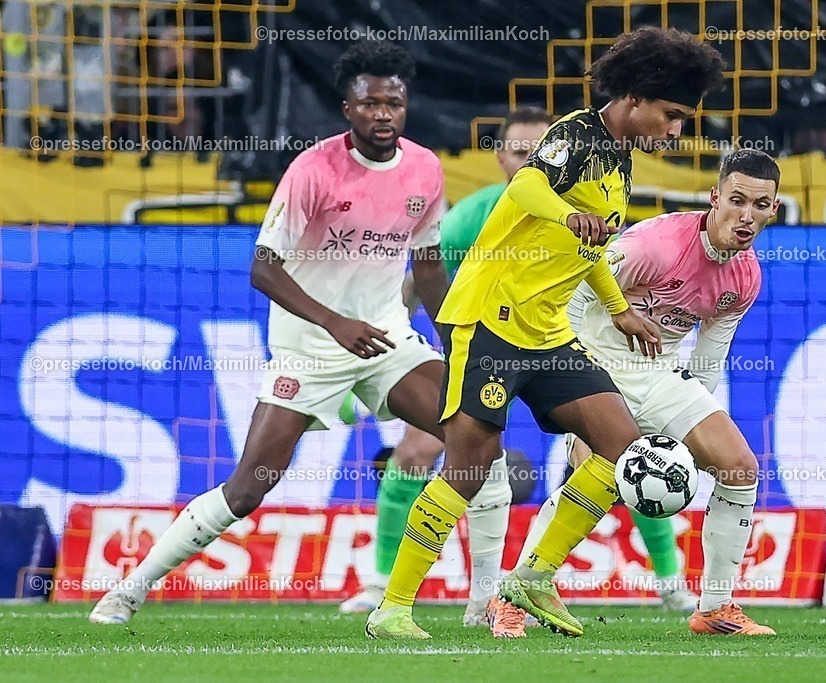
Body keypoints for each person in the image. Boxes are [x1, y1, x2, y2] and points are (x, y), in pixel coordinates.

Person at [366, 27, 726, 640]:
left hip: (549, 330)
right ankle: (393, 608)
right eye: (670, 115)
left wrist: (616, 308)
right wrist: (568, 210)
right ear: (635, 97)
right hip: (490, 319)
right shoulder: (576, 133)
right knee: (468, 468)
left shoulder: (619, 158)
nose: (674, 130)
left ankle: (532, 575)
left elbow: (592, 246)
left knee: (622, 448)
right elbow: (531, 186)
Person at [89, 41, 454, 624]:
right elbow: (263, 267)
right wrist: (335, 324)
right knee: (248, 489)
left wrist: (453, 341)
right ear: (347, 108)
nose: (383, 114)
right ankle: (130, 588)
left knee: (472, 435)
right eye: (370, 104)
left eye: (394, 103)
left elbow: (429, 264)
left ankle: (489, 598)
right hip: (310, 349)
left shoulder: (425, 168)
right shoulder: (312, 170)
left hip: (386, 342)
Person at [509, 149, 781, 637]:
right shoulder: (654, 244)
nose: (746, 216)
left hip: (655, 371)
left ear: (773, 210)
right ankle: (513, 595)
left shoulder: (745, 277)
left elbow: (707, 360)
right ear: (714, 197)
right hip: (591, 354)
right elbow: (571, 294)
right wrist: (574, 379)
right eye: (737, 200)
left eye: (760, 205)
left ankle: (715, 608)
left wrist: (686, 434)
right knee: (598, 472)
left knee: (739, 468)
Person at [340, 108, 552, 633]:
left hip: (556, 354)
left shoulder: (579, 215)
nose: (529, 160)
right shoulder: (471, 218)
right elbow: (418, 277)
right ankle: (382, 586)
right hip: (482, 356)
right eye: (519, 151)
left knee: (620, 453)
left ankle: (670, 588)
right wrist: (399, 348)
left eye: (540, 151)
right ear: (501, 156)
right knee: (414, 454)